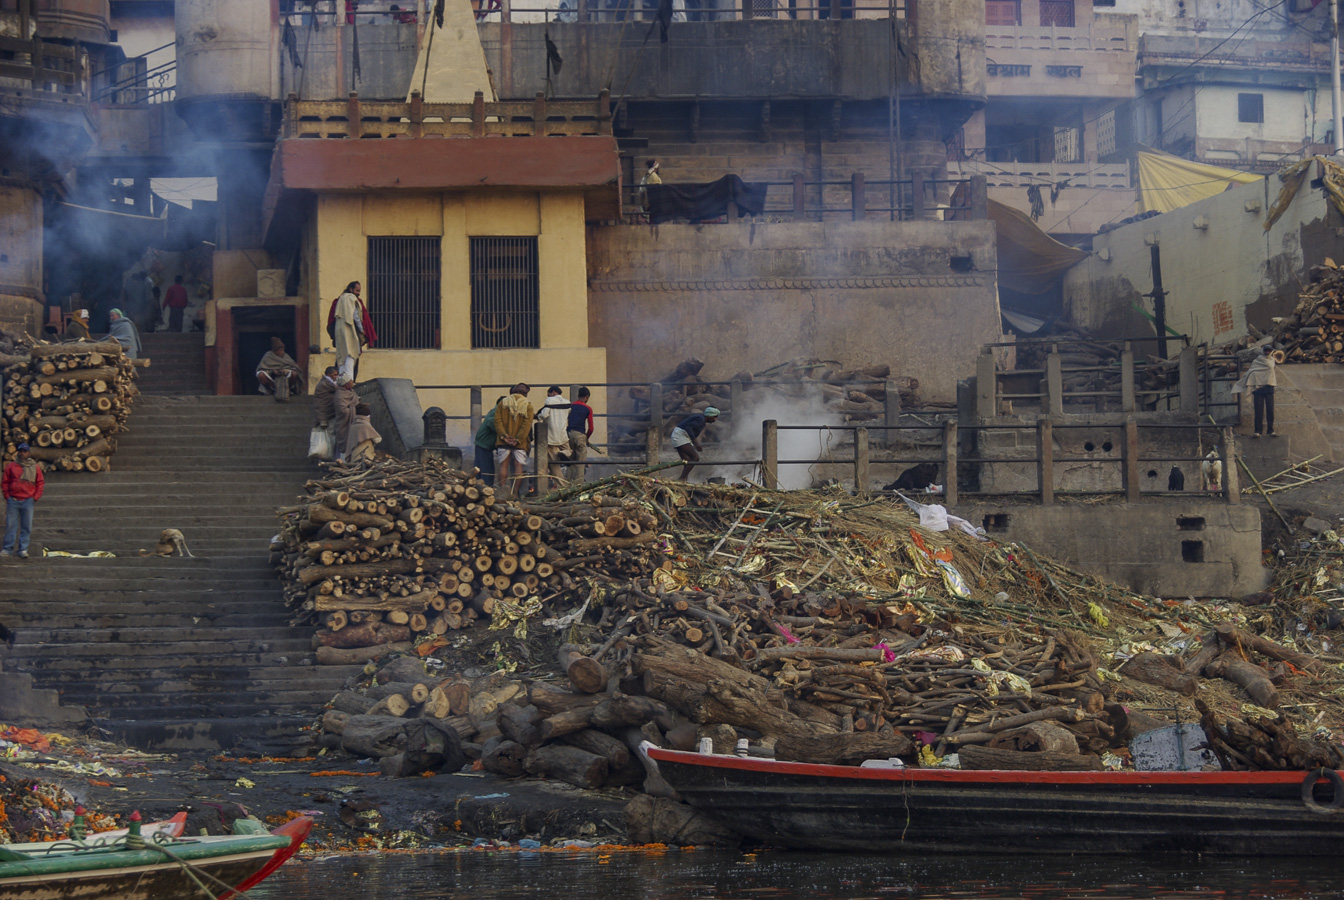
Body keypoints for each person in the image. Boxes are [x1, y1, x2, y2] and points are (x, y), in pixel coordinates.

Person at [2, 443, 43, 559]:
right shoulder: (11, 466)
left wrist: (35, 497)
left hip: (28, 501)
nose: (22, 453)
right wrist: (7, 496)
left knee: (26, 526)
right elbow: (5, 482)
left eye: (24, 451)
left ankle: (23, 549)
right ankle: (7, 549)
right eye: (20, 451)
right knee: (11, 525)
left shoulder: (34, 467)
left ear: (28, 453)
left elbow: (40, 483)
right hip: (13, 500)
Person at [494, 384, 535, 500]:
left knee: (503, 465)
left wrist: (504, 436)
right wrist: (518, 439)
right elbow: (526, 425)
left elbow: (497, 421)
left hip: (503, 441)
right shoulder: (528, 405)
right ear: (525, 393)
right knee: (518, 466)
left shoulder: (503, 403)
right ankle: (515, 493)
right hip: (520, 443)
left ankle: (502, 491)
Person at [329, 281, 377, 380]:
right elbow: (355, 316)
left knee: (341, 357)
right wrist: (362, 329)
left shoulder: (340, 299)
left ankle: (341, 381)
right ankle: (349, 381)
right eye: (357, 290)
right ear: (351, 289)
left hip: (340, 333)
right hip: (350, 332)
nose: (359, 293)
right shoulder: (351, 298)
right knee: (352, 355)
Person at [1232, 343, 1278, 437]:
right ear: (1263, 351)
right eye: (1266, 350)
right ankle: (1258, 431)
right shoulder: (1257, 361)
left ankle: (1270, 430)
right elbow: (1252, 371)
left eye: (1269, 351)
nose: (1267, 352)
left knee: (1270, 410)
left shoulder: (1272, 361)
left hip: (1269, 387)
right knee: (1258, 411)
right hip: (1258, 388)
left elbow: (1270, 369)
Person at [671, 406, 719, 481]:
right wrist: (696, 442)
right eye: (714, 417)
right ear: (709, 415)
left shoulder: (701, 419)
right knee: (695, 458)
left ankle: (684, 479)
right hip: (680, 435)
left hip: (680, 435)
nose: (715, 419)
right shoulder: (700, 419)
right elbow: (688, 428)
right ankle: (682, 478)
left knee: (686, 459)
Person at [539, 385, 571, 493]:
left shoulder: (549, 400)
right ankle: (565, 454)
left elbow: (544, 415)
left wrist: (538, 416)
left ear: (552, 392)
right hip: (563, 435)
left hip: (551, 437)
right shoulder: (567, 402)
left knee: (554, 463)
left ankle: (562, 485)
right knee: (570, 452)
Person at [256, 337, 304, 401]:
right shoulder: (268, 356)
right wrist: (272, 371)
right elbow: (261, 368)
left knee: (294, 374)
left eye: (283, 350)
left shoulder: (286, 356)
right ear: (275, 351)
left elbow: (294, 367)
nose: (282, 352)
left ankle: (287, 389)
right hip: (272, 380)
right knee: (260, 374)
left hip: (285, 378)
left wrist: (285, 371)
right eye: (280, 350)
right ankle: (273, 390)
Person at [566, 386, 595, 483]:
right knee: (581, 461)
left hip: (568, 435)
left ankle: (566, 483)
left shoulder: (570, 406)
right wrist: (587, 438)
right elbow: (591, 428)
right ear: (586, 397)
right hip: (580, 435)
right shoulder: (588, 409)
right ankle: (578, 484)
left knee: (572, 461)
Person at [473, 397, 504, 482]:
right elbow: (491, 422)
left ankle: (482, 485)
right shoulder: (497, 412)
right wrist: (503, 433)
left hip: (484, 444)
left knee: (482, 466)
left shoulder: (496, 411)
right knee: (486, 469)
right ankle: (486, 486)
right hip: (484, 444)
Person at [333, 375, 358, 461]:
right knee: (344, 443)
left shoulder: (352, 392)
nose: (352, 381)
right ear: (346, 384)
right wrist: (354, 408)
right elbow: (343, 410)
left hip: (353, 422)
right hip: (344, 423)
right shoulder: (340, 395)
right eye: (351, 380)